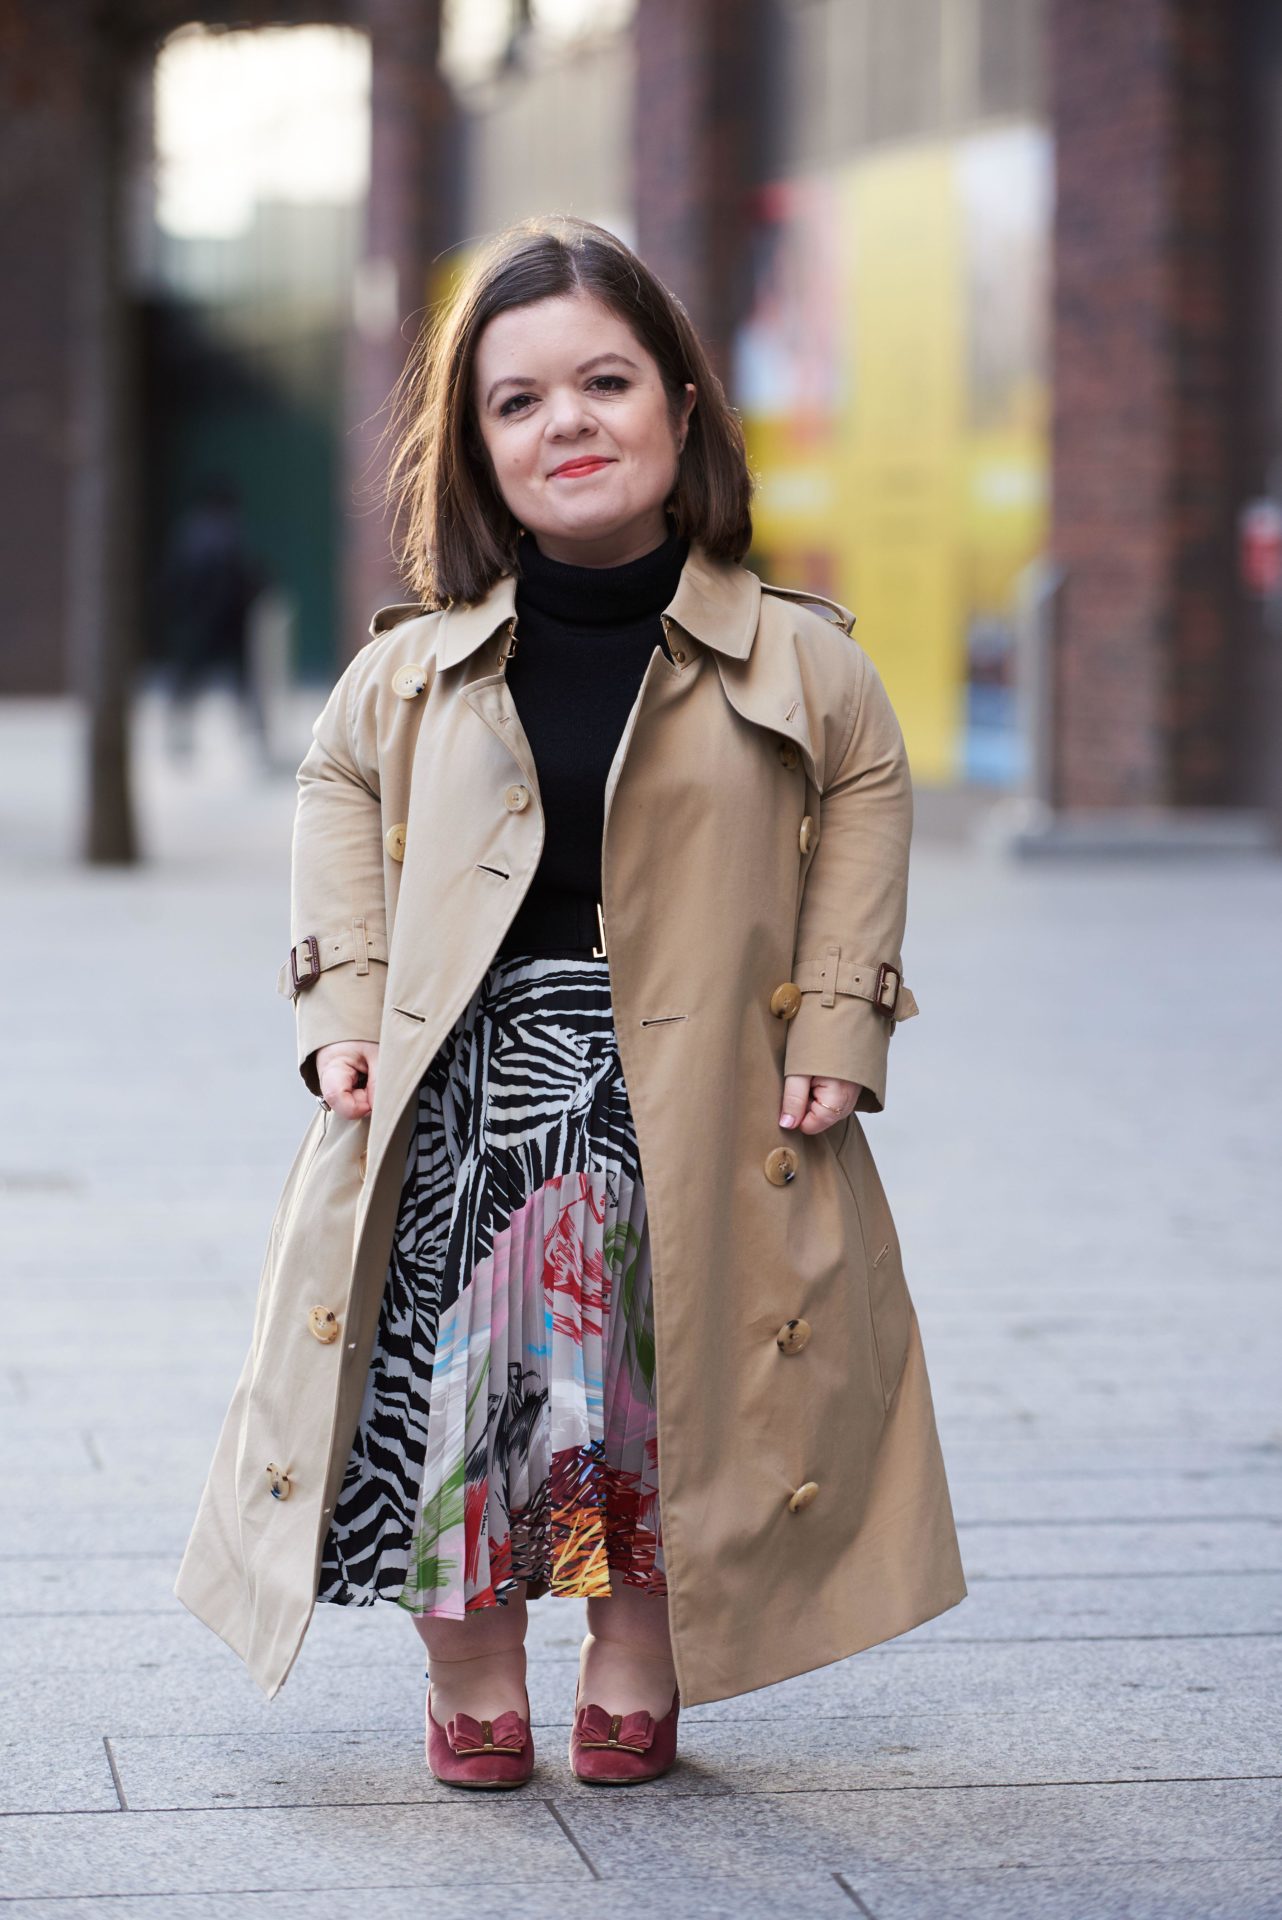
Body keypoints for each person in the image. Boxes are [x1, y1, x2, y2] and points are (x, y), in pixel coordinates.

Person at [174, 213, 967, 1791]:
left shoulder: (803, 663)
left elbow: (867, 806)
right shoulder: (411, 673)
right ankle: (467, 1667)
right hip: (461, 1096)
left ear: (680, 405)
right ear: (475, 448)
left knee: (659, 1389)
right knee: (457, 1381)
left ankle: (632, 1651)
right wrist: (340, 1000)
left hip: (703, 1093)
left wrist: (840, 1023)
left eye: (605, 381)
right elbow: (333, 791)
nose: (567, 423)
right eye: (516, 400)